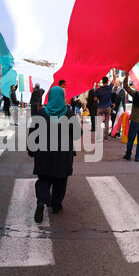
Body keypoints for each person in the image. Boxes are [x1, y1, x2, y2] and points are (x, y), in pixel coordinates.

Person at [28, 86, 81, 223]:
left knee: (43, 180)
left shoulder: (40, 114)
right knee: (60, 180)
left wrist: (31, 150)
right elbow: (77, 135)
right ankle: (56, 205)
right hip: (63, 155)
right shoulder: (68, 114)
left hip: (43, 154)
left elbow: (32, 135)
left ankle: (41, 200)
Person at [94, 69, 117, 140]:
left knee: (98, 122)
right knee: (107, 122)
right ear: (107, 81)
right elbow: (114, 79)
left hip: (100, 107)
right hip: (107, 107)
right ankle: (106, 137)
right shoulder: (109, 88)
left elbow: (95, 99)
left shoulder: (98, 90)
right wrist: (113, 71)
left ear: (102, 82)